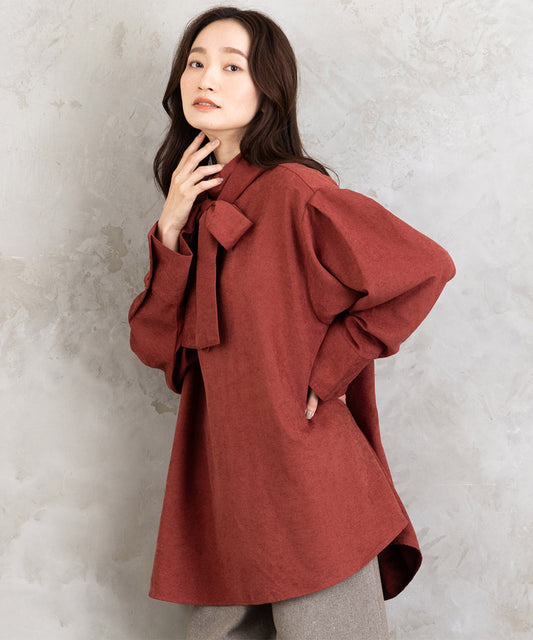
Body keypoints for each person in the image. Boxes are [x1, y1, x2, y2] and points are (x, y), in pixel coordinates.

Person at [127, 6, 456, 639]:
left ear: (268, 88)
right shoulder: (195, 208)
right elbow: (154, 347)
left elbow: (425, 267)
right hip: (224, 483)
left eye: (232, 66)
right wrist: (169, 226)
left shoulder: (296, 192)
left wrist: (329, 370)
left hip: (306, 483)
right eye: (195, 63)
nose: (206, 79)